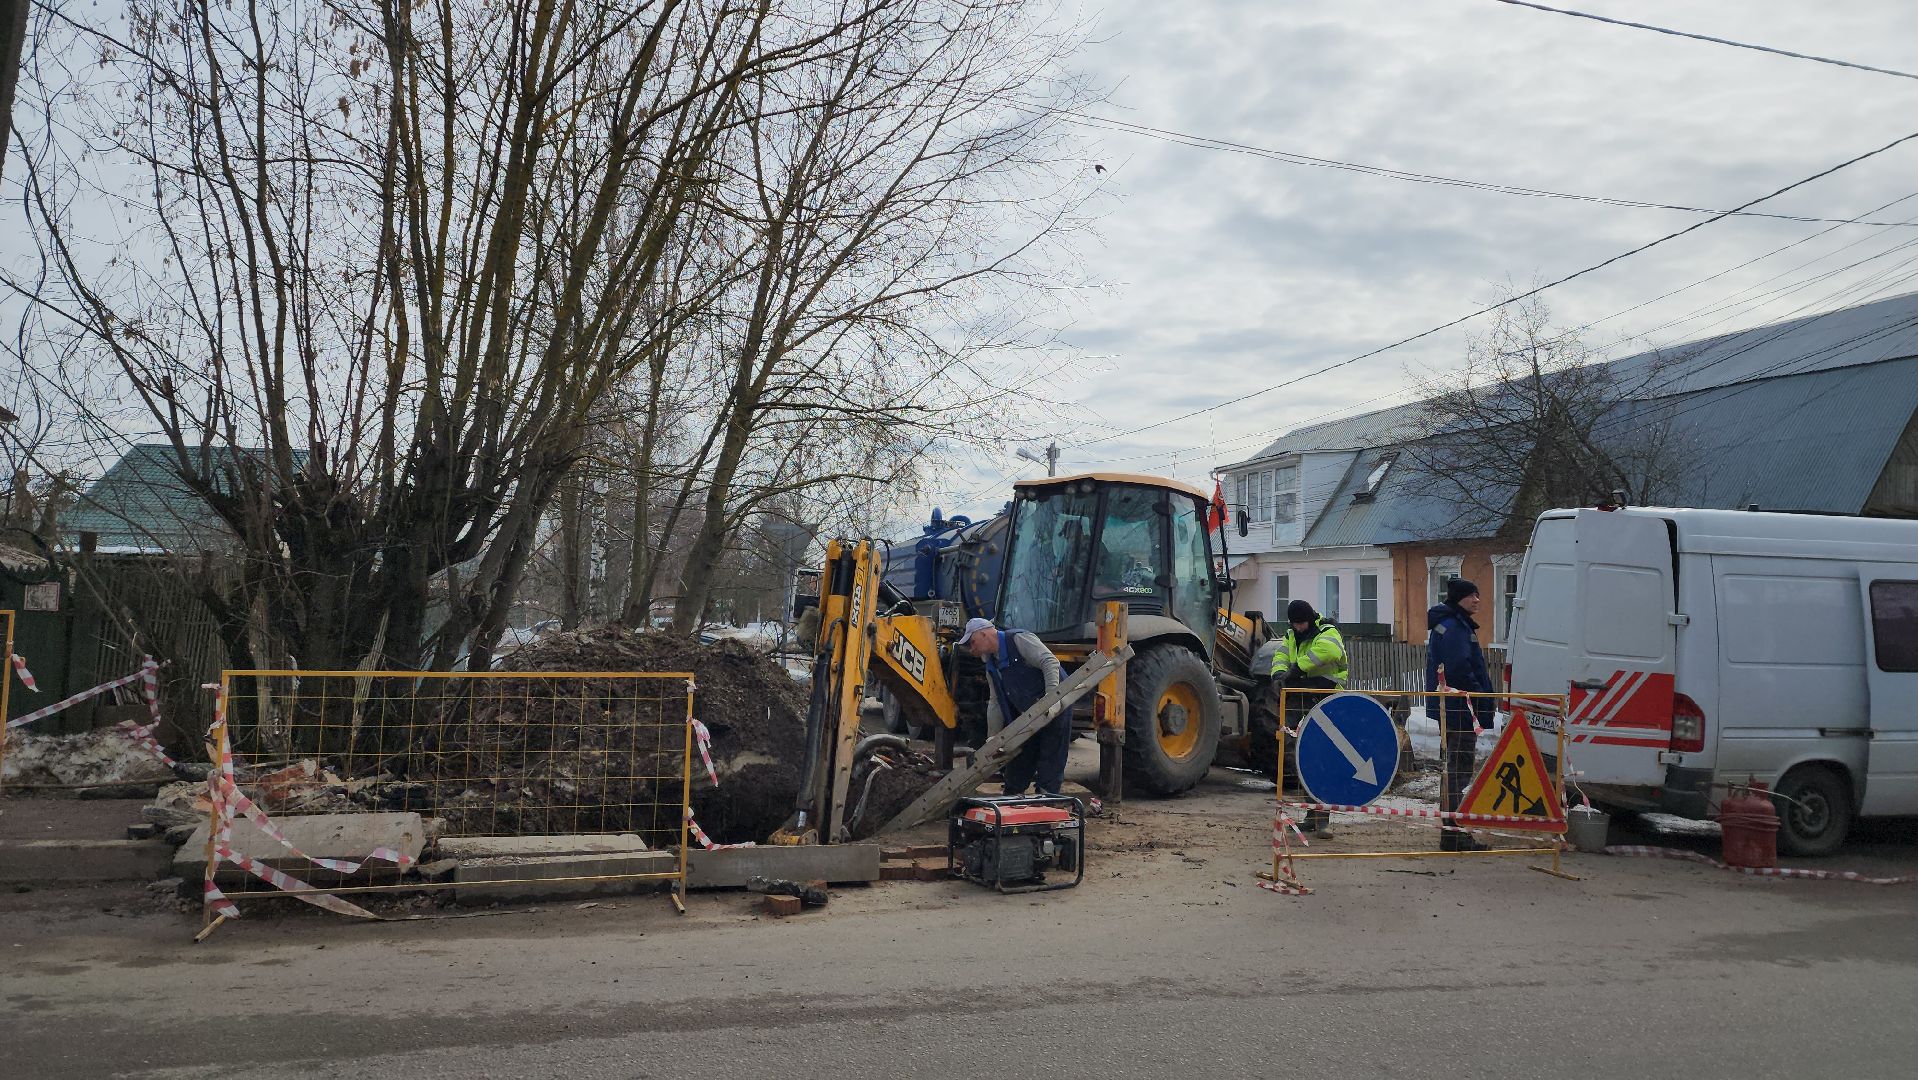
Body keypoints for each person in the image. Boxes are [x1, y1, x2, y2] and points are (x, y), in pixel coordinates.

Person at [959, 617, 1065, 796]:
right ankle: (1012, 794)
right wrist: (992, 736)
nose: (972, 649)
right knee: (1022, 754)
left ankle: (1047, 798)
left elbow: (1049, 661)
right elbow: (995, 702)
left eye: (973, 642)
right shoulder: (991, 664)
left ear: (984, 634)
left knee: (1051, 753)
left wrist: (1052, 698)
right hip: (1028, 712)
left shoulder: (1018, 640)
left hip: (1053, 705)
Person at [1427, 578, 1496, 852]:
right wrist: (1478, 695)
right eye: (1471, 595)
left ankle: (1451, 831)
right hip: (1460, 708)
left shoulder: (1452, 623)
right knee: (1457, 769)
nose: (1477, 599)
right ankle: (1453, 834)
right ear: (1459, 599)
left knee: (1452, 769)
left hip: (1454, 708)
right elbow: (1459, 667)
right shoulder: (1455, 627)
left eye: (1478, 594)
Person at [1270, 599, 1348, 839]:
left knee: (1323, 755)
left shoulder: (1327, 631)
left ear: (1311, 618)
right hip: (1299, 694)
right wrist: (1279, 674)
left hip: (1323, 693)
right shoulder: (1291, 635)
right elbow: (1280, 656)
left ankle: (1322, 818)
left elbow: (1329, 651)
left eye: (1302, 623)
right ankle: (1311, 816)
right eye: (1295, 624)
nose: (1299, 628)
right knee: (1302, 755)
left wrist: (1298, 668)